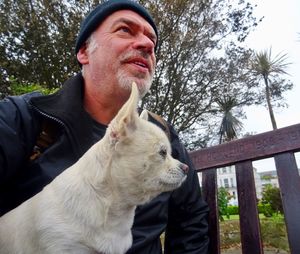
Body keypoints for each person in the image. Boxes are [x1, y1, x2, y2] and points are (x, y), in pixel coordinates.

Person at [0, 0, 209, 253]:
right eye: (125, 30)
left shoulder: (165, 134)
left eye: (152, 42)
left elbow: (191, 224)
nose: (147, 45)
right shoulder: (24, 117)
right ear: (84, 52)